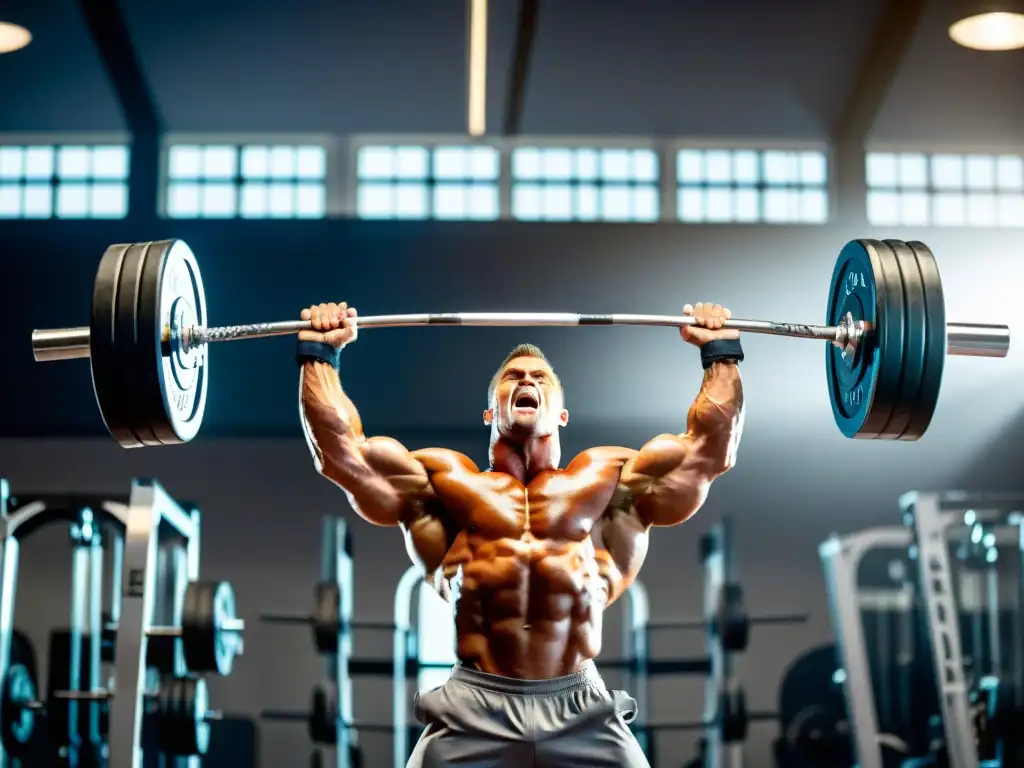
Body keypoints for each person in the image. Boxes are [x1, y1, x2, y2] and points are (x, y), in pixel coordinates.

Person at [296, 300, 745, 768]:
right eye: (513, 377)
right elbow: (342, 455)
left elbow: (709, 452)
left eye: (539, 378)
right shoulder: (443, 484)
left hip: (581, 707)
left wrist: (720, 350)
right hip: (474, 706)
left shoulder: (613, 481)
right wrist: (320, 353)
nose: (526, 380)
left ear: (562, 414)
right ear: (490, 413)